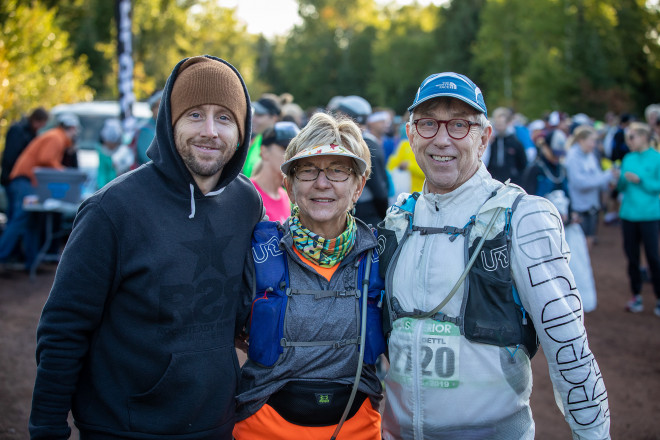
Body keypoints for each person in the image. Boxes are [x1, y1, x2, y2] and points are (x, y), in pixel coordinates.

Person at [29, 55, 264, 440]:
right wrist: (46, 429)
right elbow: (63, 328)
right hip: (123, 426)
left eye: (224, 117)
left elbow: (238, 304)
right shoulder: (112, 210)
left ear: (242, 130)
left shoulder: (247, 202)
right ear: (169, 122)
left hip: (217, 423)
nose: (210, 131)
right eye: (194, 115)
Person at [378, 72, 610, 439]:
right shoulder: (397, 222)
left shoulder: (522, 217)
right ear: (410, 134)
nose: (441, 139)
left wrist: (594, 434)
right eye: (427, 124)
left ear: (484, 137)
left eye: (459, 125)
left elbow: (569, 344)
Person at [234, 112, 385, 439]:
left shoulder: (380, 254)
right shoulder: (256, 252)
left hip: (357, 429)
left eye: (338, 170)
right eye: (308, 169)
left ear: (359, 186)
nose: (321, 182)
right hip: (263, 430)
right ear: (288, 183)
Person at [0, 113, 80, 272]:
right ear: (70, 128)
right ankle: (2, 256)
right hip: (23, 181)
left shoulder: (55, 137)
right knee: (20, 218)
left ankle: (31, 263)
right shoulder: (56, 138)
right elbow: (46, 159)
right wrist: (64, 173)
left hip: (28, 181)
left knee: (32, 221)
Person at [616, 122, 660, 317]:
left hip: (650, 215)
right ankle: (636, 296)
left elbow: (657, 186)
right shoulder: (628, 157)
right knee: (632, 257)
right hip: (628, 214)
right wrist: (621, 179)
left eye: (632, 137)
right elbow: (621, 187)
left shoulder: (656, 158)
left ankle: (658, 297)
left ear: (644, 137)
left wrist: (641, 180)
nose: (629, 141)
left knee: (653, 257)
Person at [332, 96, 390, 227]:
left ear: (347, 116)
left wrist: (383, 215)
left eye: (339, 114)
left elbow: (379, 190)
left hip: (365, 217)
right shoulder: (370, 143)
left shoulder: (363, 146)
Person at [565, 125, 616, 250]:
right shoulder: (572, 157)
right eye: (592, 141)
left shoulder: (590, 154)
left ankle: (586, 269)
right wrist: (607, 176)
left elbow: (597, 176)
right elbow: (580, 183)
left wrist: (609, 181)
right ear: (581, 140)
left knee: (589, 240)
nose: (594, 144)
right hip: (578, 206)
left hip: (592, 204)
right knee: (578, 244)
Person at [1, 107, 49, 221]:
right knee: (18, 216)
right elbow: (10, 156)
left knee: (16, 215)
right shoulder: (19, 130)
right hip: (15, 178)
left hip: (18, 178)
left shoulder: (31, 132)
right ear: (36, 120)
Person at [250, 121, 299, 223]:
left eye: (297, 151)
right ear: (264, 151)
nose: (293, 156)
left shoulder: (285, 196)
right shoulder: (248, 193)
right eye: (286, 148)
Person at [484, 106, 527, 185]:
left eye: (501, 124)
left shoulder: (514, 142)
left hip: (511, 180)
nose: (499, 127)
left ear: (507, 123)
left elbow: (522, 163)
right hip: (493, 179)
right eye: (497, 124)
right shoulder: (491, 141)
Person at [243, 96, 282, 177]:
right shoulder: (256, 139)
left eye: (259, 115)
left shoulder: (280, 146)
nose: (253, 119)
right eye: (254, 114)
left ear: (274, 118)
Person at [131, 89, 162, 167]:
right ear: (152, 108)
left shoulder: (164, 127)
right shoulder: (145, 130)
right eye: (159, 106)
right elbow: (148, 159)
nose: (162, 109)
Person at [95, 118, 124, 189]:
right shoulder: (102, 151)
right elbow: (102, 173)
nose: (110, 147)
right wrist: (102, 189)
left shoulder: (124, 151)